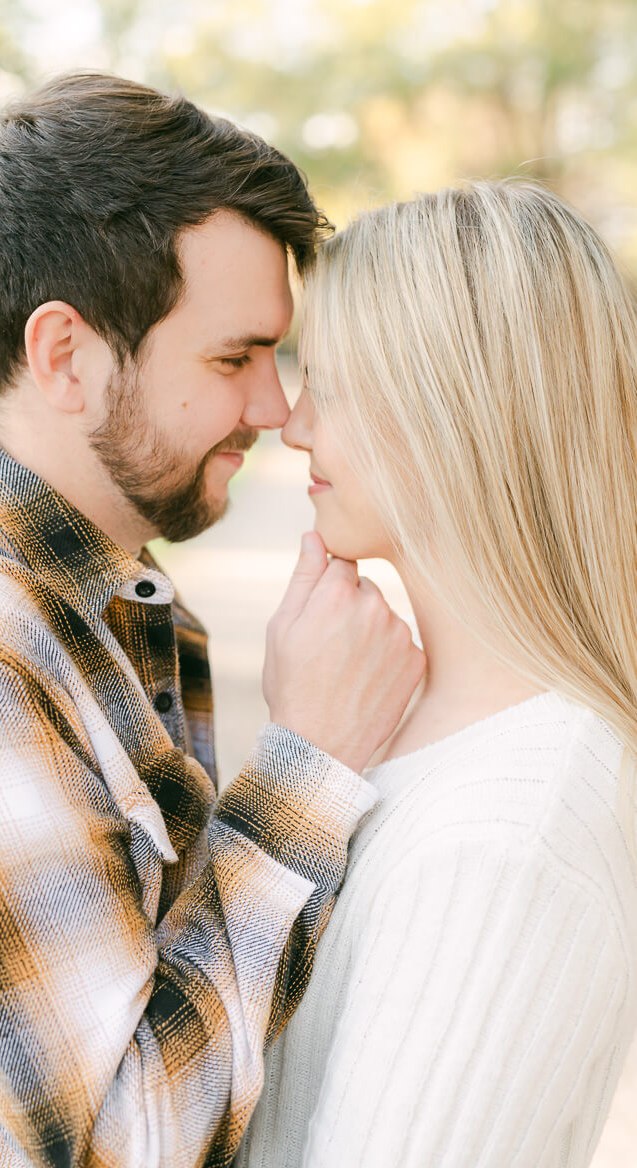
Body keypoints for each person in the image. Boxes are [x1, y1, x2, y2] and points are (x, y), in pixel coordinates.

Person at [0, 74, 425, 1168]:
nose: (278, 409)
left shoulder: (105, 599)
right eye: (233, 357)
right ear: (65, 354)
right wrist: (309, 768)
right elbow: (135, 1147)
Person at [236, 181, 637, 1167]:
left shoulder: (506, 842)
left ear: (448, 406)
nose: (293, 425)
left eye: (329, 383)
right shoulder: (418, 725)